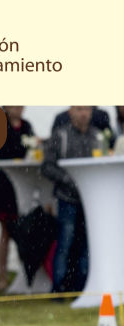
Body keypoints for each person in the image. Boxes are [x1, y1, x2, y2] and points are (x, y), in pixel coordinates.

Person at [41, 106, 102, 293]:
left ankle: (83, 286)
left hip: (90, 201)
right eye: (79, 109)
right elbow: (47, 167)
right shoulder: (61, 136)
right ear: (71, 112)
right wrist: (69, 180)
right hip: (67, 198)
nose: (84, 114)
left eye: (87, 110)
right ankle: (58, 288)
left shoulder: (98, 137)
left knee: (87, 245)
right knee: (64, 244)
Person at [0, 106, 35, 291]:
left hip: (22, 183)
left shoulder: (27, 126)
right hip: (5, 185)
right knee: (5, 232)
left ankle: (24, 272)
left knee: (22, 230)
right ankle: (3, 276)